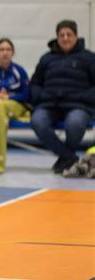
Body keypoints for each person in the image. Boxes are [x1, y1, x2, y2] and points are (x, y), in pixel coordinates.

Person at [30, 19, 95, 174]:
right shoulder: (46, 58)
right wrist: (41, 96)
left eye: (69, 34)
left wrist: (85, 97)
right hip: (49, 105)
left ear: (76, 36)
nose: (65, 38)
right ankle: (69, 157)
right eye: (62, 35)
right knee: (38, 121)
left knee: (75, 123)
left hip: (78, 105)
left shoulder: (89, 58)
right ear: (57, 37)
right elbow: (35, 83)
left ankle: (65, 158)